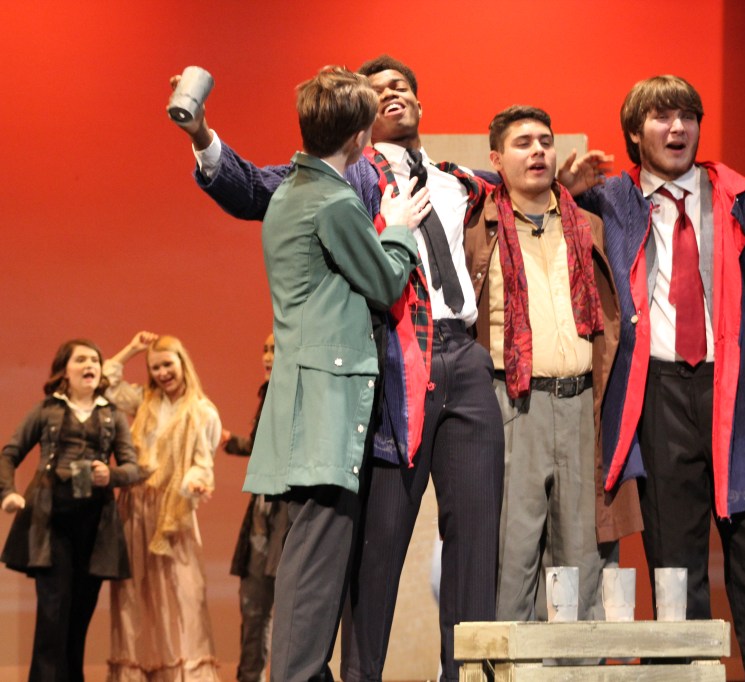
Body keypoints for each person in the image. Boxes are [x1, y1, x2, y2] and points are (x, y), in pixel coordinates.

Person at [169, 56, 505, 682]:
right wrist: (204, 139)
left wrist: (566, 183)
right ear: (361, 123)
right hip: (398, 361)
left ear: (419, 103)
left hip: (466, 355)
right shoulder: (347, 179)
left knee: (477, 537)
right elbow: (257, 188)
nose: (390, 94)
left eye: (400, 86)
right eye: (377, 91)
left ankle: (467, 675)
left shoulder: (462, 181)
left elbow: (520, 193)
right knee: (372, 543)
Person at [571, 75, 745, 681]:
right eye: (661, 117)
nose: (677, 128)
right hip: (658, 394)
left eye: (687, 116)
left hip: (737, 393)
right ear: (635, 133)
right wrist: (566, 190)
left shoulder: (735, 196)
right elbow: (515, 198)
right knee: (674, 567)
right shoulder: (613, 200)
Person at [243, 65, 425, 682]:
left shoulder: (293, 191)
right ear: (359, 136)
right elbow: (385, 280)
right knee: (316, 562)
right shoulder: (335, 200)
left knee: (309, 554)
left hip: (306, 392)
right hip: (326, 397)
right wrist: (398, 227)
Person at [464, 105, 642, 622]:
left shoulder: (586, 225)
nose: (537, 150)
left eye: (545, 140)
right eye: (522, 143)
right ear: (496, 159)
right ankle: (507, 662)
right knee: (512, 554)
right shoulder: (479, 227)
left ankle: (577, 664)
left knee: (582, 557)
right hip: (513, 403)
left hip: (582, 403)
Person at [0, 339, 140, 682]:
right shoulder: (47, 410)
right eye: (81, 359)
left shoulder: (111, 414)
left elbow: (132, 467)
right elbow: (9, 453)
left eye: (94, 360)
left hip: (95, 525)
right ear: (65, 370)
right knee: (53, 613)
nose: (89, 365)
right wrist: (8, 493)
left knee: (79, 617)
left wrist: (112, 475)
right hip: (51, 523)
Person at [104, 331, 223, 681]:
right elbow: (107, 384)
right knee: (135, 594)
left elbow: (202, 461)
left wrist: (195, 482)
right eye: (155, 367)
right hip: (136, 506)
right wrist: (131, 349)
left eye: (167, 364)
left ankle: (183, 673)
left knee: (181, 593)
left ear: (182, 363)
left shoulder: (202, 411)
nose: (162, 373)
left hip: (174, 510)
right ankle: (138, 672)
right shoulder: (144, 401)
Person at [221, 332, 289, 682]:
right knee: (253, 606)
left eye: (275, 349)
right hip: (262, 514)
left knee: (287, 609)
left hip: (286, 513)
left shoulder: (296, 393)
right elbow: (262, 445)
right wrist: (232, 443)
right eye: (264, 349)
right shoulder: (268, 393)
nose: (266, 355)